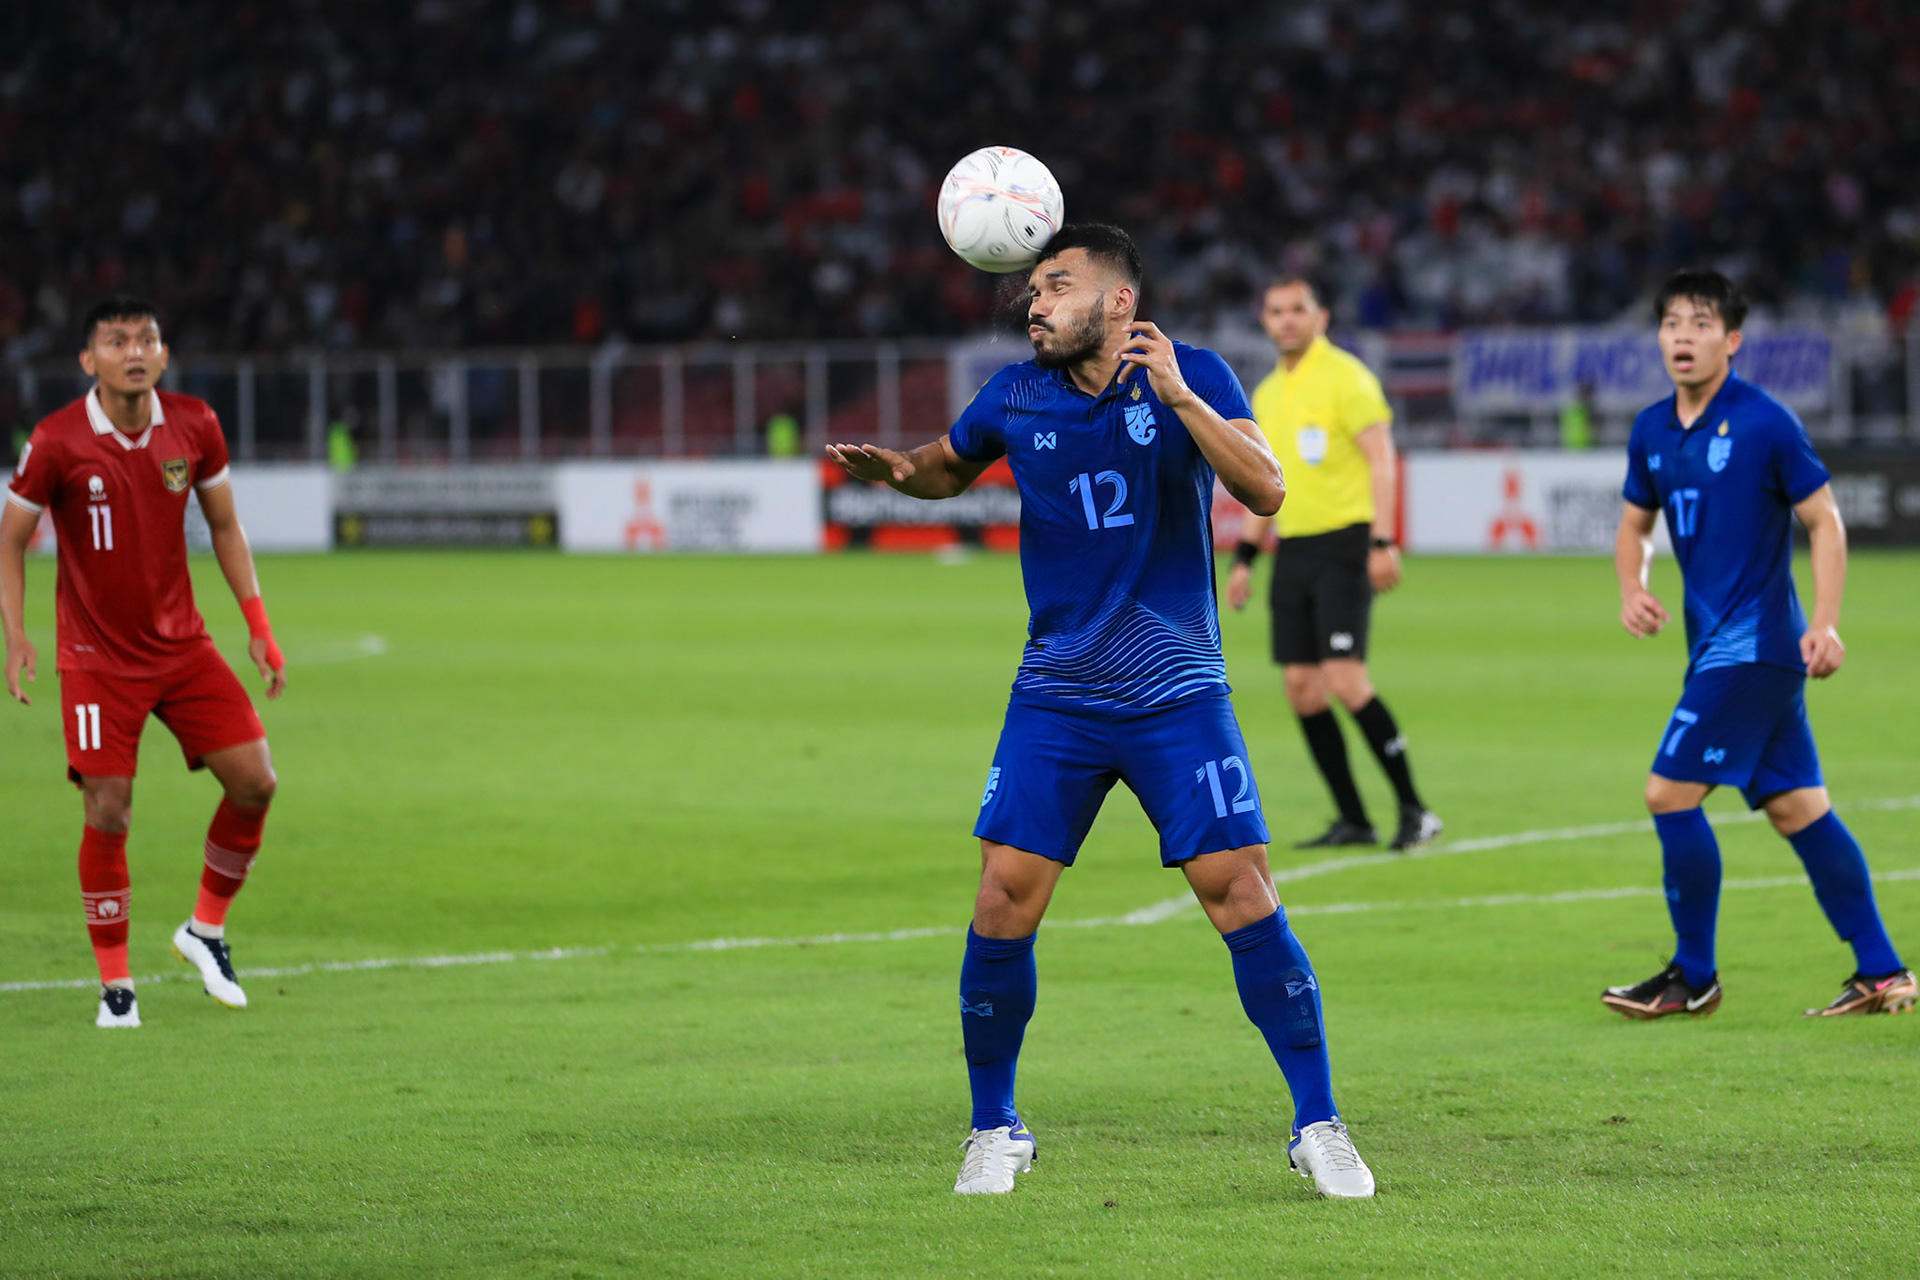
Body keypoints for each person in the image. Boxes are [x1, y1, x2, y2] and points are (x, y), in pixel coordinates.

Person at [827, 225, 1376, 1199]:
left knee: (1238, 889)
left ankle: (1318, 1120)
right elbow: (949, 465)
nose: (1033, 303)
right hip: (1058, 695)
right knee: (1002, 894)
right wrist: (897, 471)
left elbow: (1266, 488)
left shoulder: (1190, 372)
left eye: (1057, 286)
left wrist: (1179, 398)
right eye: (1032, 289)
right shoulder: (1014, 395)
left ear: (1118, 301)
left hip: (1177, 693)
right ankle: (994, 1125)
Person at [1603, 268, 1914, 1020]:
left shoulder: (1766, 422)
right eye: (1672, 321)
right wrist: (1632, 587)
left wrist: (1827, 619)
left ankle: (1693, 976)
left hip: (1754, 648)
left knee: (1667, 794)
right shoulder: (1652, 428)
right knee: (1798, 809)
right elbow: (1634, 525)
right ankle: (1884, 972)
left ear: (1732, 340)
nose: (1683, 335)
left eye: (1701, 323)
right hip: (1719, 648)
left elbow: (1825, 521)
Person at [2, 297, 288, 1029]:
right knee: (109, 809)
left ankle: (205, 930)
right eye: (117, 341)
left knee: (255, 781)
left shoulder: (195, 424)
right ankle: (116, 985)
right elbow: (11, 540)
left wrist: (257, 625)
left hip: (182, 647)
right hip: (96, 659)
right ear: (87, 359)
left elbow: (224, 525)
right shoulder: (57, 440)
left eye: (147, 340)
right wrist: (18, 634)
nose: (134, 351)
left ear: (163, 355)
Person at [1226, 279, 1441, 852]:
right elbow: (1264, 486)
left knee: (1346, 679)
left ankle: (1415, 810)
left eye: (1298, 309)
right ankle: (1355, 820)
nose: (1287, 320)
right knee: (1301, 687)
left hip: (1346, 545)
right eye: (1276, 311)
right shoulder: (1268, 393)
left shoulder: (1348, 378)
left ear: (1320, 316)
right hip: (1292, 549)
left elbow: (1381, 460)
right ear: (1264, 320)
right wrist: (1245, 557)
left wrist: (1382, 540)